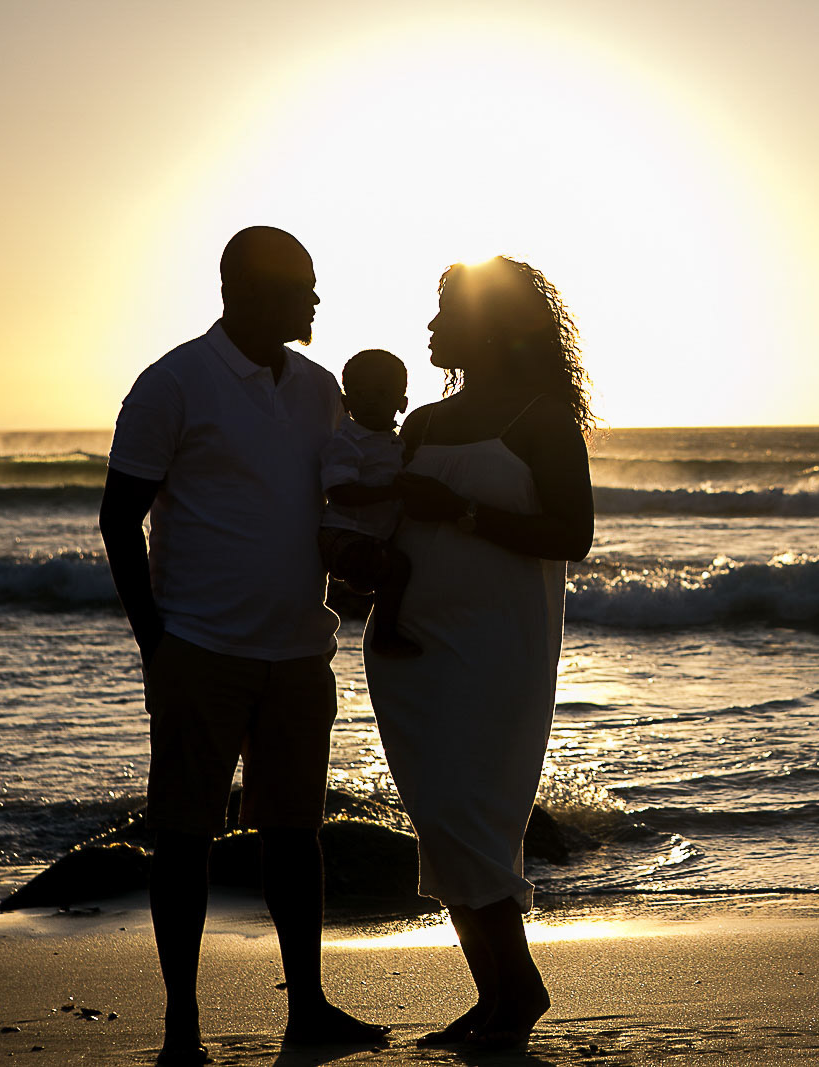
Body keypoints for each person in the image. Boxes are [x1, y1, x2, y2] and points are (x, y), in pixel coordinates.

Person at [99, 226, 390, 1064]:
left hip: (300, 649)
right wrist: (155, 641)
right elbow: (119, 519)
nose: (315, 299)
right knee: (184, 835)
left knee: (296, 834)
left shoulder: (319, 389)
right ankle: (181, 1025)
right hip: (199, 646)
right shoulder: (173, 383)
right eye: (301, 285)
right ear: (246, 291)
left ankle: (309, 1009)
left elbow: (333, 498)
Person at [363, 256, 594, 1053]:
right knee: (439, 818)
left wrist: (461, 509)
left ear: (491, 327)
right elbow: (396, 528)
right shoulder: (423, 423)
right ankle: (494, 990)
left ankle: (519, 987)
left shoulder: (541, 419)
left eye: (447, 313)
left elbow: (573, 534)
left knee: (472, 813)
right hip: (408, 642)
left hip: (499, 644)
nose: (431, 327)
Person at [319, 348, 421, 658]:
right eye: (361, 393)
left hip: (373, 536)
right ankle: (384, 636)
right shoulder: (346, 442)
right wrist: (391, 492)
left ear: (402, 403)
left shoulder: (396, 444)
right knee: (397, 566)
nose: (371, 401)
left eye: (382, 393)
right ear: (346, 402)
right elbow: (340, 493)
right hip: (341, 532)